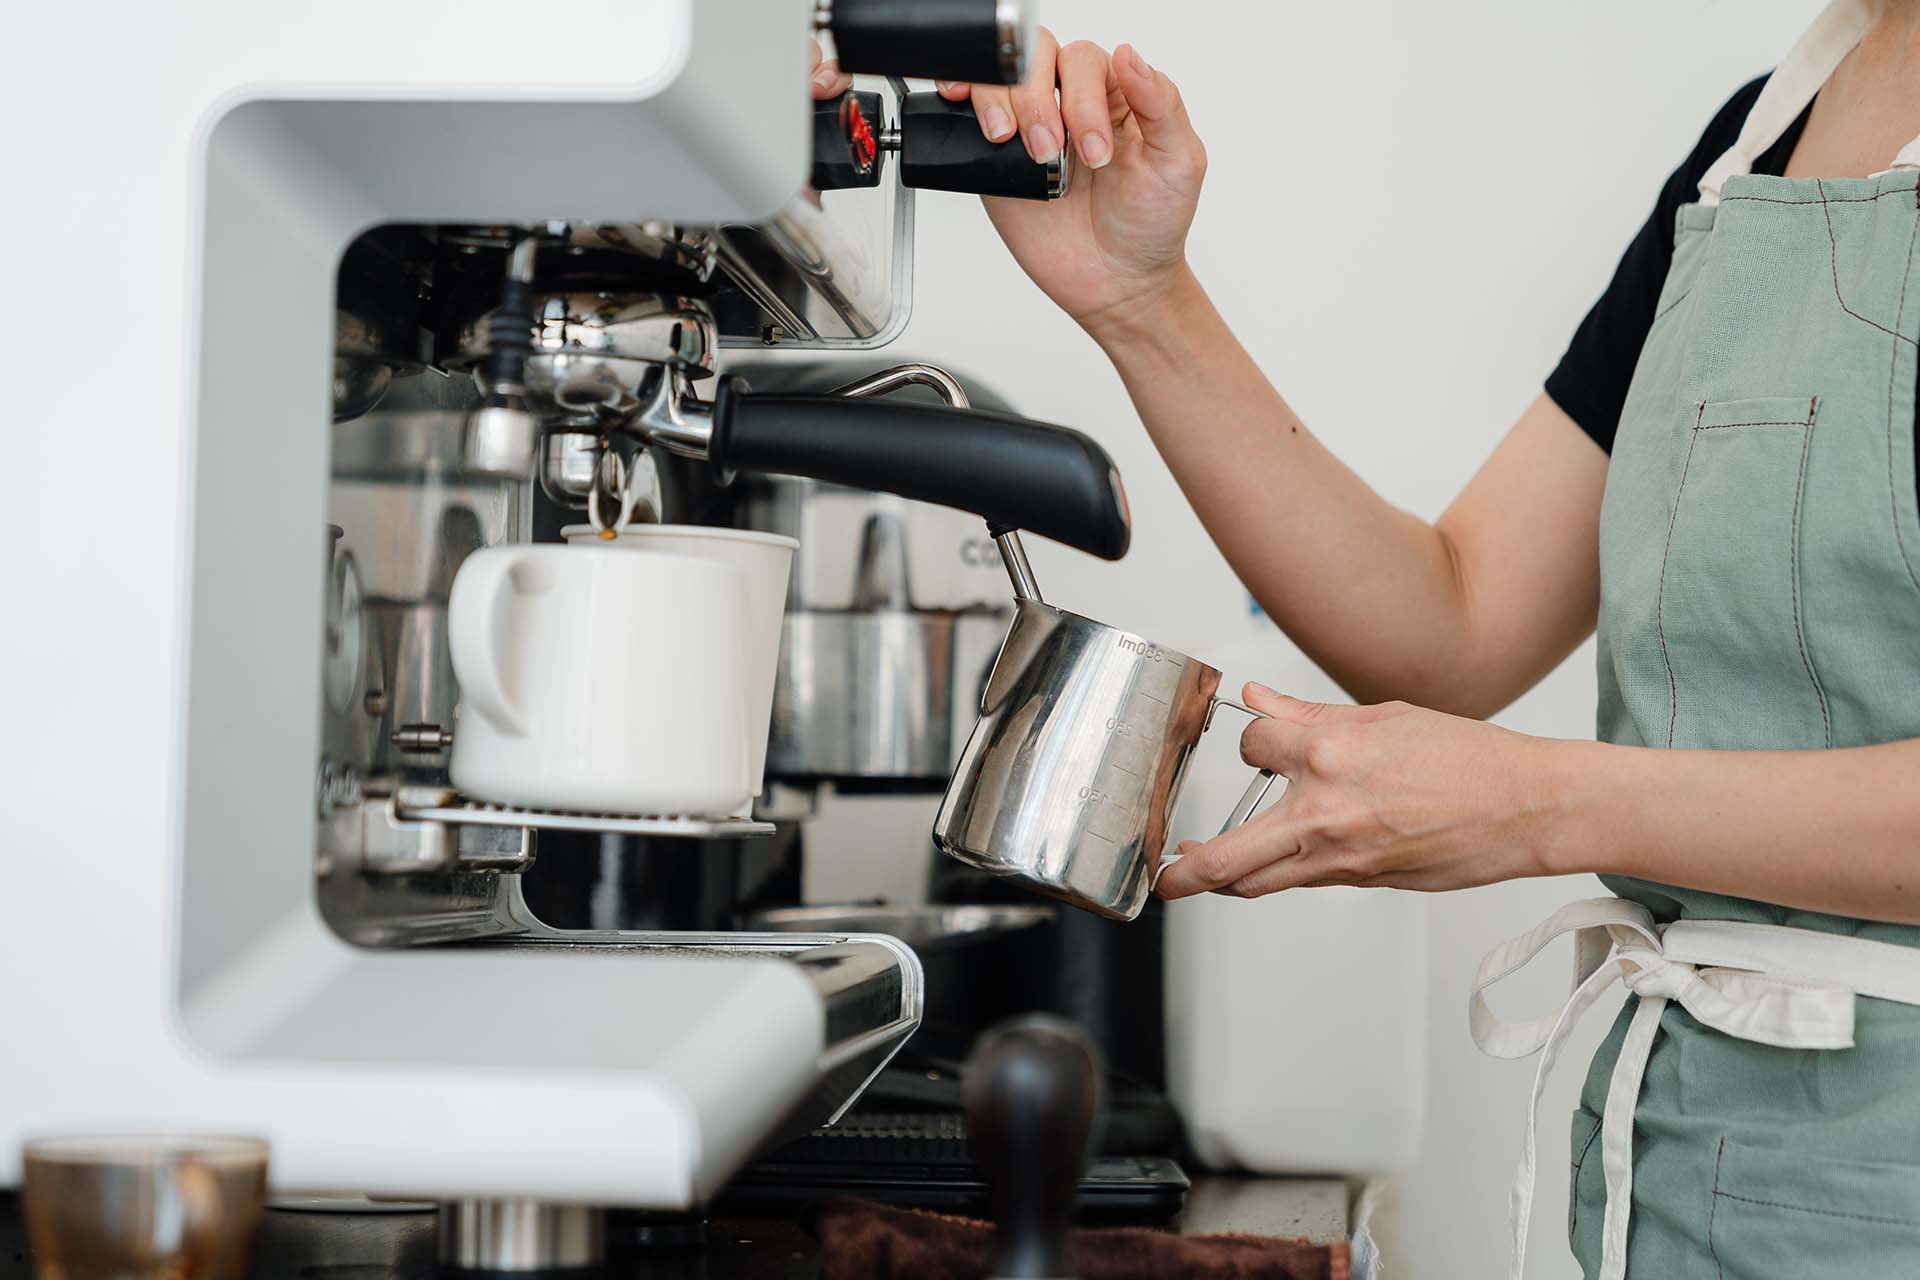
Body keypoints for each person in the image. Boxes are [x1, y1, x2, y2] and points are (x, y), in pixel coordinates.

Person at [813, 2, 1920, 1276]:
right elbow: (1453, 623)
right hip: (1678, 1182)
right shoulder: (1757, 141)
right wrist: (1138, 293)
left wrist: (1548, 805)